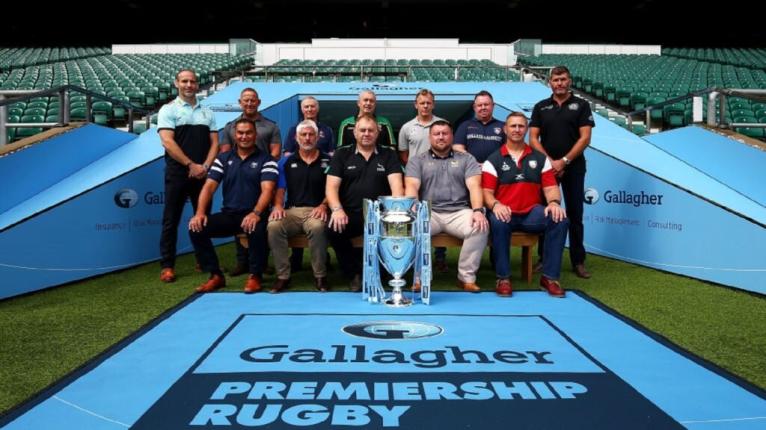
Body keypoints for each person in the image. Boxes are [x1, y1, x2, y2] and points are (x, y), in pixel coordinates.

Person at [482, 112, 569, 298]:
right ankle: (503, 278)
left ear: (526, 129)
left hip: (531, 213)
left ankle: (550, 278)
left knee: (560, 220)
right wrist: (496, 205)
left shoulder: (540, 158)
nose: (517, 129)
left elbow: (551, 188)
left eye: (521, 126)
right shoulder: (493, 160)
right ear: (505, 129)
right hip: (505, 212)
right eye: (513, 126)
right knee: (498, 221)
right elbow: (486, 193)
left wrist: (554, 203)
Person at [188, 118, 278, 293]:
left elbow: (268, 190)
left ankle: (255, 276)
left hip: (256, 213)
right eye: (240, 133)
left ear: (255, 135)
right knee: (196, 228)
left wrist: (256, 213)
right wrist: (199, 213)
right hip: (230, 214)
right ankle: (215, 275)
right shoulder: (223, 159)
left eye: (248, 133)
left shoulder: (267, 160)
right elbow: (209, 187)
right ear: (235, 135)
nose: (244, 136)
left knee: (257, 229)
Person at [404, 120, 488, 293]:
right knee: (415, 226)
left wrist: (478, 211)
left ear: (452, 136)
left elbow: (474, 186)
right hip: (429, 211)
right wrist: (414, 206)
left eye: (445, 133)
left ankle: (466, 278)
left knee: (480, 226)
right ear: (430, 137)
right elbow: (412, 186)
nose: (441, 137)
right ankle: (421, 278)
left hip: (459, 211)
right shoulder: (417, 160)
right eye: (437, 134)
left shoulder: (467, 159)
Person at [529, 65, 595, 279]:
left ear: (569, 81)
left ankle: (578, 261)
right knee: (545, 213)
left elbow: (585, 138)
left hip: (574, 167)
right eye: (556, 80)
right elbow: (533, 138)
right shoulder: (541, 106)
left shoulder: (582, 105)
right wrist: (550, 162)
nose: (559, 83)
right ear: (550, 83)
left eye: (563, 79)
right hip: (547, 169)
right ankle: (543, 258)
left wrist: (564, 161)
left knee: (575, 214)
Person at [326, 114, 404, 291]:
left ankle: (381, 273)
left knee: (394, 229)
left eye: (370, 130)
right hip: (349, 213)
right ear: (354, 132)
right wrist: (337, 209)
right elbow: (331, 187)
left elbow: (397, 187)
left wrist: (393, 214)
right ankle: (353, 273)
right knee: (333, 230)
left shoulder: (389, 154)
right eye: (362, 130)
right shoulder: (342, 154)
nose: (366, 134)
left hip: (380, 213)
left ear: (377, 133)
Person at [157, 68, 219, 283]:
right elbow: (167, 142)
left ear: (197, 84)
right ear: (177, 83)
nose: (189, 85)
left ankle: (204, 261)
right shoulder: (168, 110)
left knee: (203, 218)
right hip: (177, 173)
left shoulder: (207, 112)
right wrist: (190, 164)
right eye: (184, 81)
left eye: (192, 81)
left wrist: (205, 166)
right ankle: (167, 266)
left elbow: (215, 143)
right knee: (170, 220)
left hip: (203, 174)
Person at [220, 87, 282, 276]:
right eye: (245, 100)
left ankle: (261, 262)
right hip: (238, 178)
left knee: (262, 220)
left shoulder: (271, 126)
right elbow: (224, 152)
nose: (249, 103)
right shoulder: (230, 127)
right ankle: (242, 262)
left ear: (258, 102)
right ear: (240, 102)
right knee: (237, 216)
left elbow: (276, 152)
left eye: (252, 100)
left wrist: (263, 169)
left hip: (264, 177)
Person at [267, 120, 332, 293]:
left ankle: (320, 276)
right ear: (296, 138)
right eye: (303, 135)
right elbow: (280, 188)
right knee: (274, 226)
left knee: (317, 227)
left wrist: (324, 205)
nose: (307, 138)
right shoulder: (286, 162)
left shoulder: (330, 160)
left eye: (311, 135)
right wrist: (278, 206)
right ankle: (283, 276)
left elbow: (333, 188)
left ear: (317, 137)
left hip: (318, 210)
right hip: (292, 211)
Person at [281, 96, 335, 271]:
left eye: (312, 106)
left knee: (318, 226)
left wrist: (323, 162)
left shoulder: (327, 129)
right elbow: (287, 153)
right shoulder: (293, 130)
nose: (310, 109)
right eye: (306, 106)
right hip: (299, 171)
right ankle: (294, 261)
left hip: (321, 172)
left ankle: (321, 266)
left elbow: (332, 152)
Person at [398, 88, 448, 272]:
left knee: (441, 212)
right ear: (416, 105)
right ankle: (414, 257)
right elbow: (404, 154)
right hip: (415, 179)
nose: (425, 106)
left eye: (428, 103)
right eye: (422, 103)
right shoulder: (406, 127)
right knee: (416, 216)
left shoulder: (443, 125)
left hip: (440, 177)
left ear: (433, 104)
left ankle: (440, 257)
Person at [454, 90, 506, 163]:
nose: (483, 107)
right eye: (480, 105)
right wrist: (473, 162)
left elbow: (510, 149)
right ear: (474, 107)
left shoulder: (503, 126)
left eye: (486, 104)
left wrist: (491, 164)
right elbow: (457, 147)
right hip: (471, 167)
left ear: (493, 106)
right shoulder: (465, 125)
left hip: (496, 168)